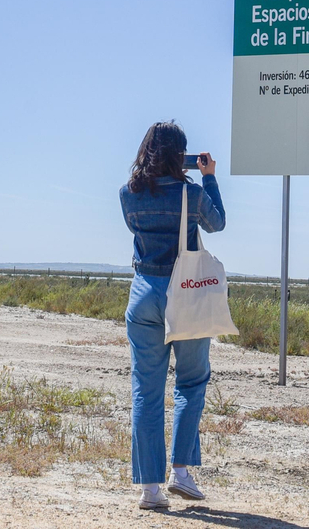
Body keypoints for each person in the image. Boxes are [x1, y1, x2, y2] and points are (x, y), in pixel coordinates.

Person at [119, 121, 226, 511]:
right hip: (185, 295)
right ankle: (180, 471)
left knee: (146, 392)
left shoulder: (127, 195)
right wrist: (209, 178)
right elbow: (218, 223)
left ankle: (149, 489)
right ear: (179, 156)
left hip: (143, 293)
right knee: (191, 381)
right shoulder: (192, 193)